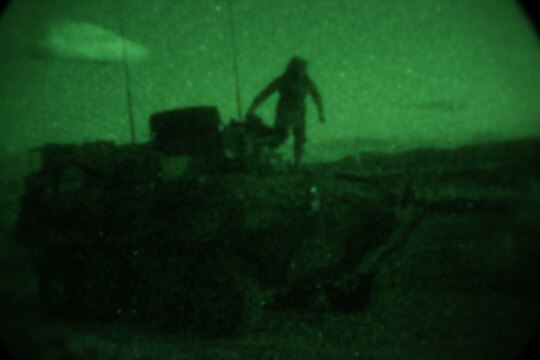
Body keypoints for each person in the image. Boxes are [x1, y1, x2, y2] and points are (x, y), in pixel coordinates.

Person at [246, 56, 325, 168]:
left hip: (299, 113)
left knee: (300, 138)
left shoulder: (307, 82)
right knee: (280, 137)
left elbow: (317, 96)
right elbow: (265, 93)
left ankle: (297, 164)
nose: (301, 71)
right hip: (285, 112)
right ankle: (262, 152)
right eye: (299, 68)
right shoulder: (283, 80)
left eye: (303, 69)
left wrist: (321, 113)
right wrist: (252, 108)